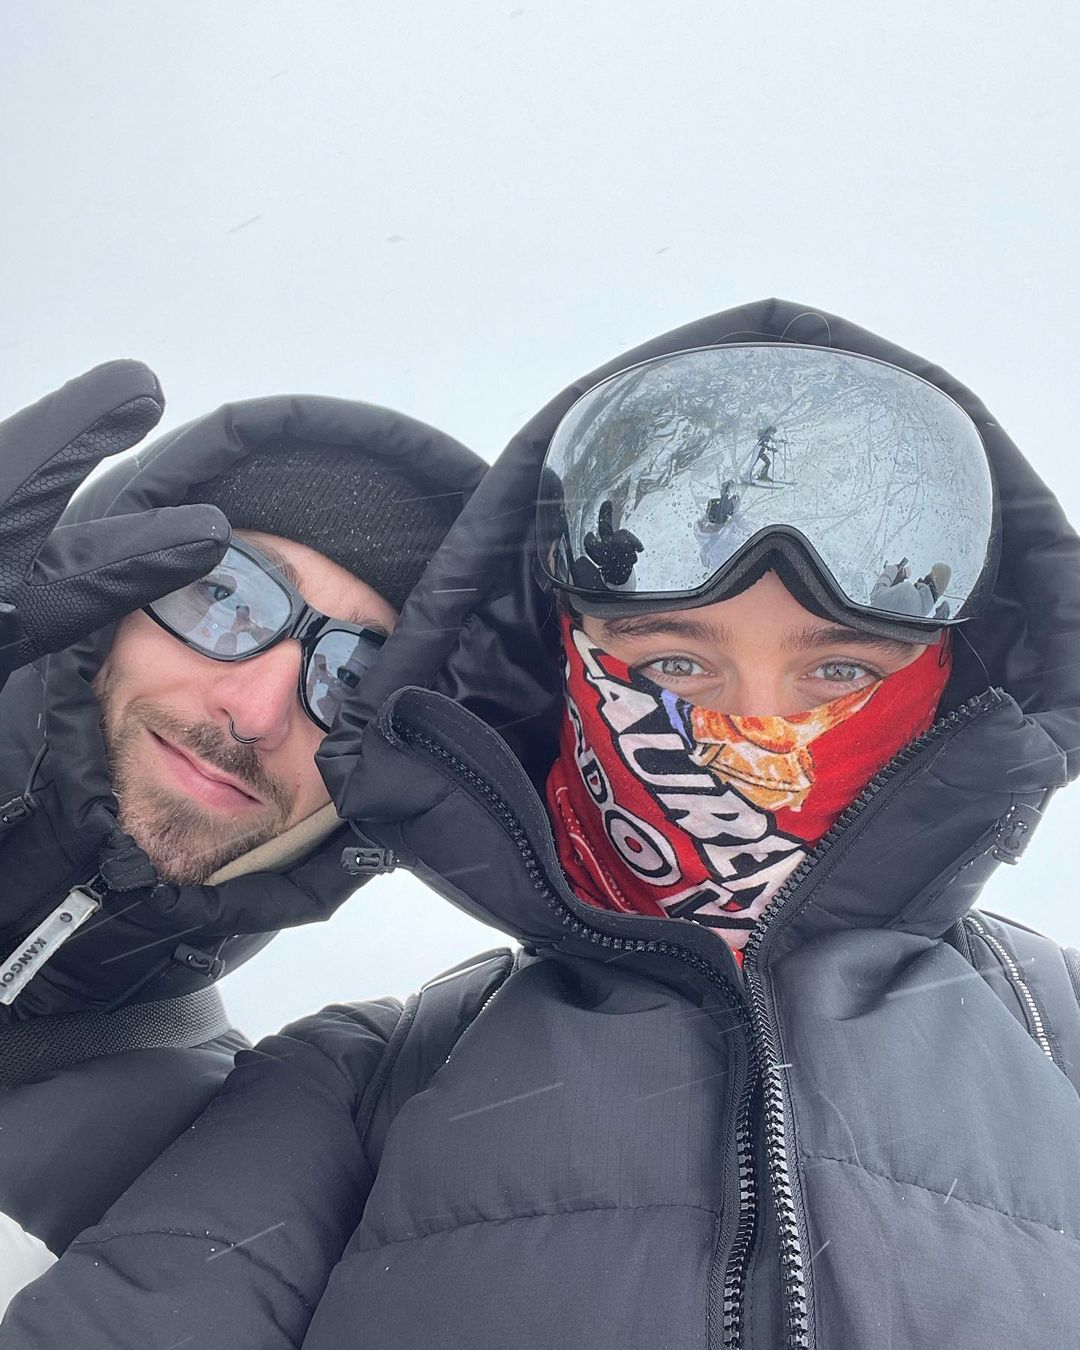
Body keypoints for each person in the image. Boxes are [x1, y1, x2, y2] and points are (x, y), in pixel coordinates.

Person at [7, 299, 1080, 1350]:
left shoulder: (1060, 1032)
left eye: (838, 671)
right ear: (569, 695)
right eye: (675, 664)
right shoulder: (357, 1091)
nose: (755, 731)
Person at [0, 362, 482, 1307]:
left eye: (356, 679)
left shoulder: (223, 1176)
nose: (257, 711)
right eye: (224, 598)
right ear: (95, 601)